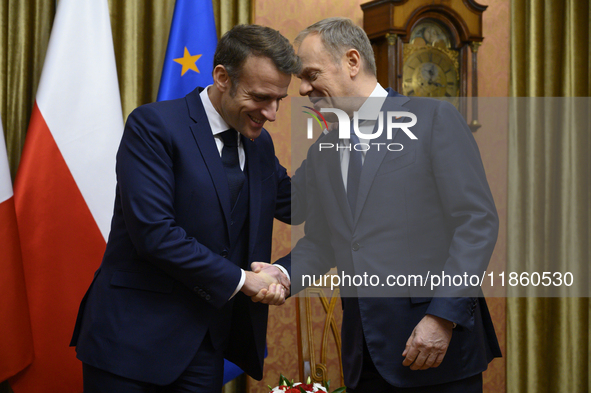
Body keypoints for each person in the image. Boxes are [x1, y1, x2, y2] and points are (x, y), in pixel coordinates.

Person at [70, 24, 299, 392]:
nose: (271, 113)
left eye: (279, 100)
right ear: (222, 77)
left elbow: (300, 205)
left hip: (205, 347)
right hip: (131, 344)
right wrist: (244, 280)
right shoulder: (154, 126)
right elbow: (155, 234)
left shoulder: (260, 144)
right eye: (260, 97)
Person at [286, 17, 501, 392]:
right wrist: (281, 276)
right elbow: (323, 242)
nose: (304, 89)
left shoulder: (434, 119)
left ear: (352, 62)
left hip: (436, 349)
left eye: (310, 74)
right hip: (364, 356)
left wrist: (442, 318)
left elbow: (477, 222)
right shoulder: (323, 150)